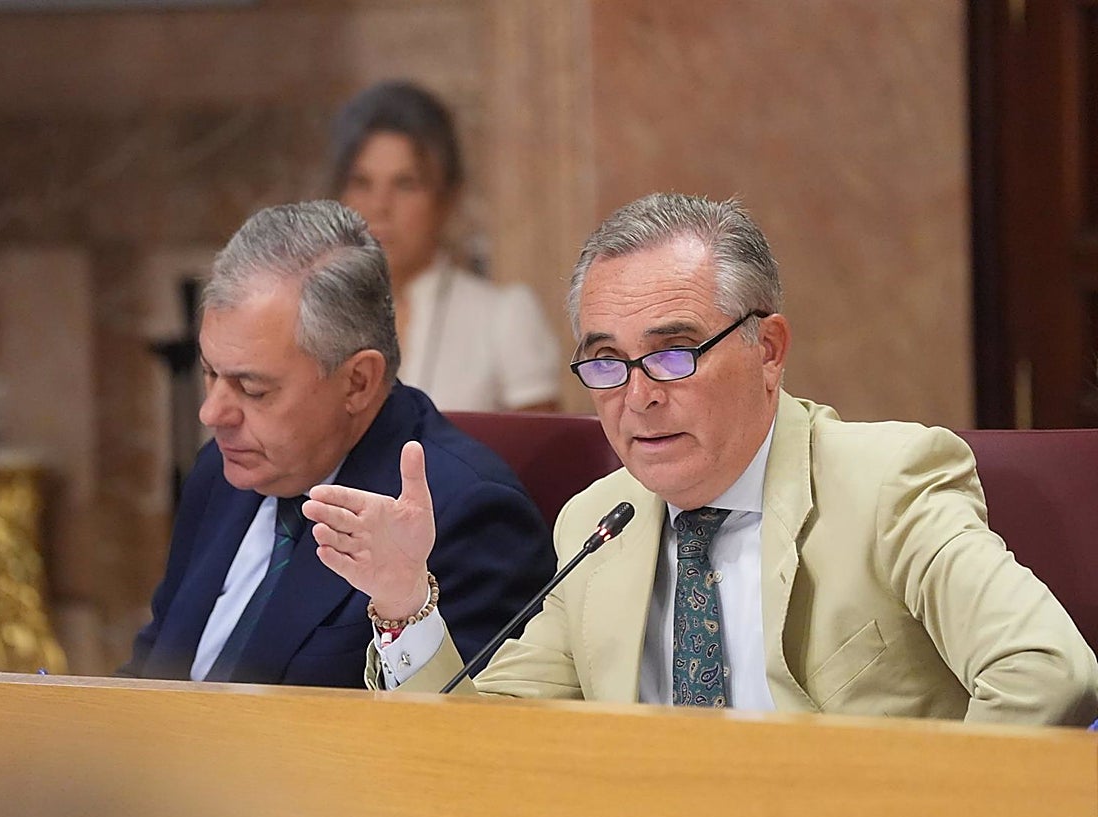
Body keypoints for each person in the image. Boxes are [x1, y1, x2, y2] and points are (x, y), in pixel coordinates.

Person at [302, 193, 1098, 724]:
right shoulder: (599, 525)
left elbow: (1047, 672)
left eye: (675, 354)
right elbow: (483, 747)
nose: (637, 395)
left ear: (769, 350)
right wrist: (406, 601)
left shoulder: (888, 481)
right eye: (606, 361)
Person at [118, 200, 554, 687]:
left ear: (358, 383)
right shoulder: (221, 470)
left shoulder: (464, 515)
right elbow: (154, 666)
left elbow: (452, 738)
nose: (212, 413)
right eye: (209, 373)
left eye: (253, 389)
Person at [330, 80, 560, 412]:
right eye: (362, 183)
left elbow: (542, 460)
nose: (379, 205)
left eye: (405, 184)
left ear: (447, 197)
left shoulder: (502, 318)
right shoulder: (312, 318)